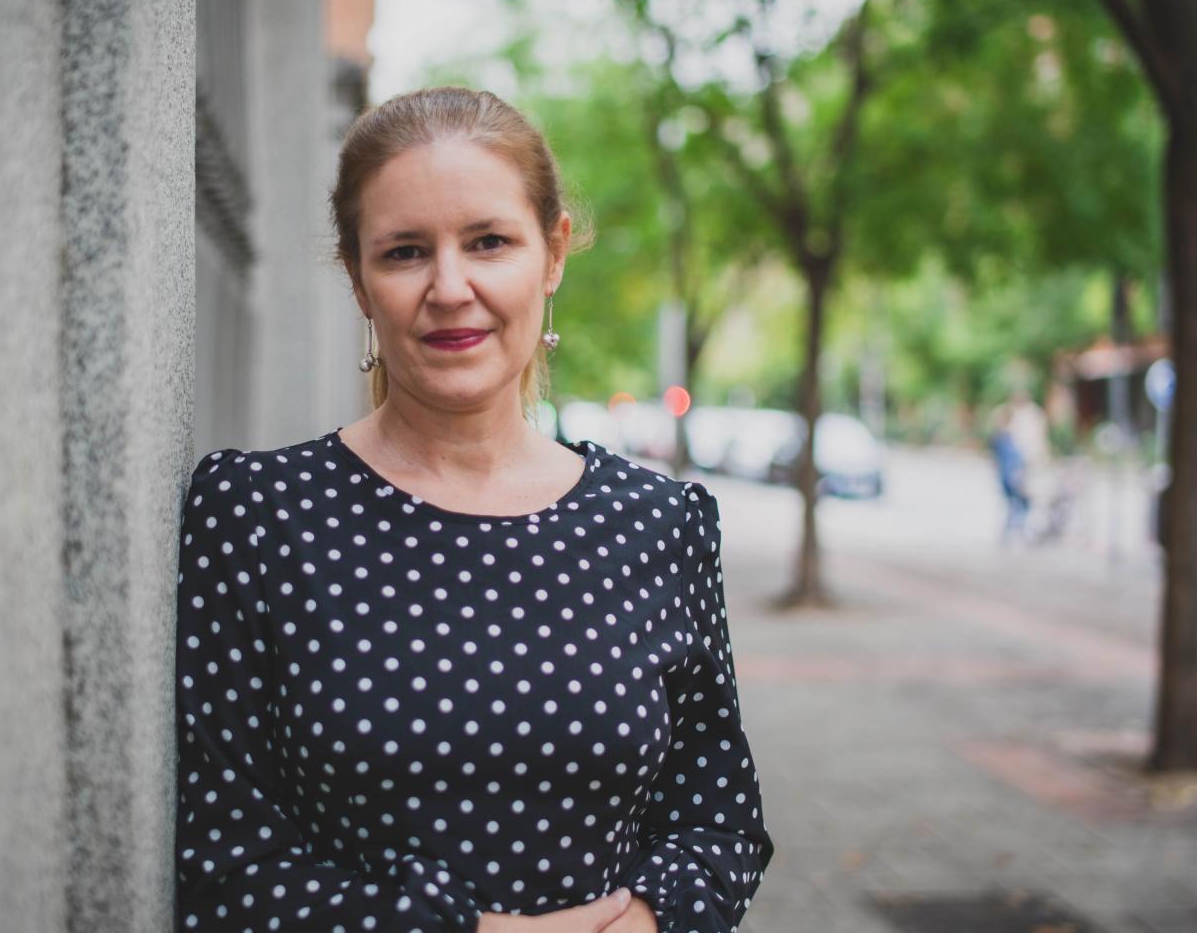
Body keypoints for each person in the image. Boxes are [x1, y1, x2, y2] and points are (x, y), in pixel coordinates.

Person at [172, 87, 773, 933]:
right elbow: (217, 864)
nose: (450, 287)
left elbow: (721, 823)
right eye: (406, 252)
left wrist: (642, 918)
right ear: (357, 278)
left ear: (553, 253)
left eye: (489, 242)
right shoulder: (258, 516)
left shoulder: (661, 524)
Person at [988, 406, 1030, 546]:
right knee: (1018, 504)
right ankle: (1018, 531)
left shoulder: (1003, 438)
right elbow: (1012, 461)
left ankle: (1015, 531)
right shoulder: (1005, 438)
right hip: (1011, 477)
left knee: (1015, 505)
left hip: (1009, 477)